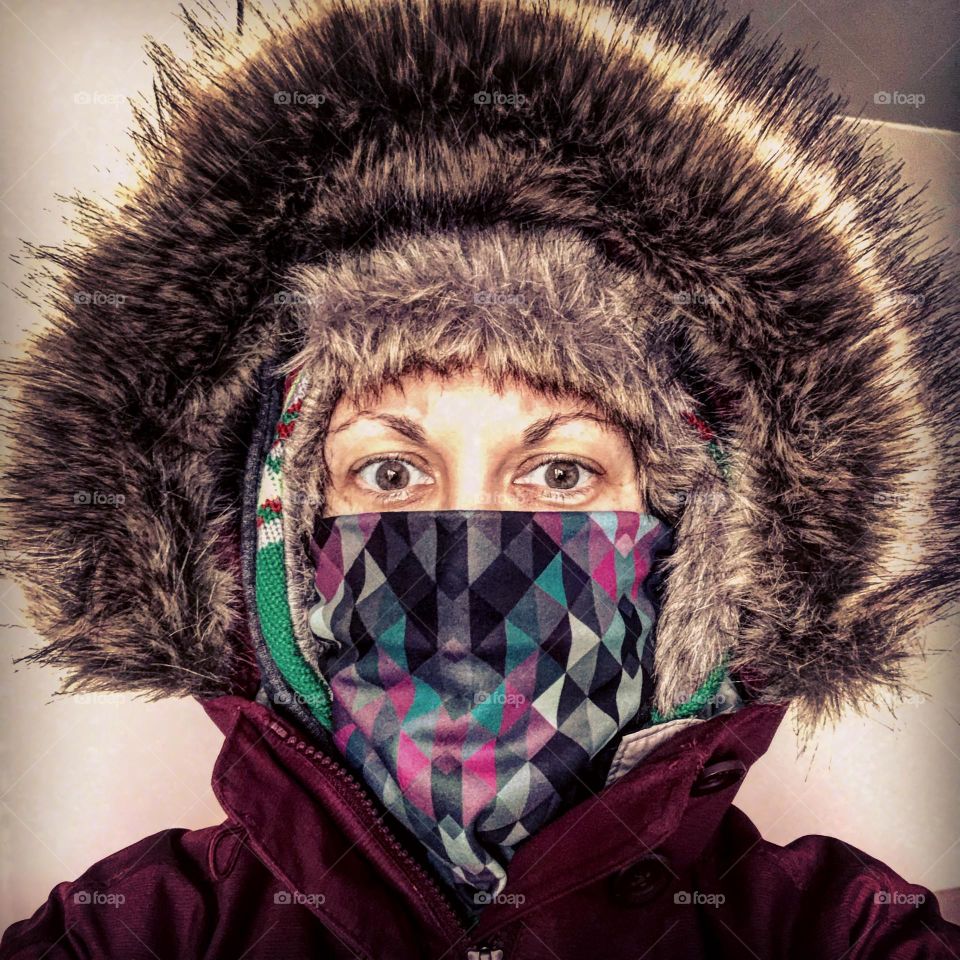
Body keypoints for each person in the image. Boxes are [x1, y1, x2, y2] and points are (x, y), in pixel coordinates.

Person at [1, 0, 958, 957]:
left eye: (558, 469)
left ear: (695, 538)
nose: (468, 573)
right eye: (388, 468)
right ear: (275, 545)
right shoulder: (141, 932)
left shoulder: (833, 932)